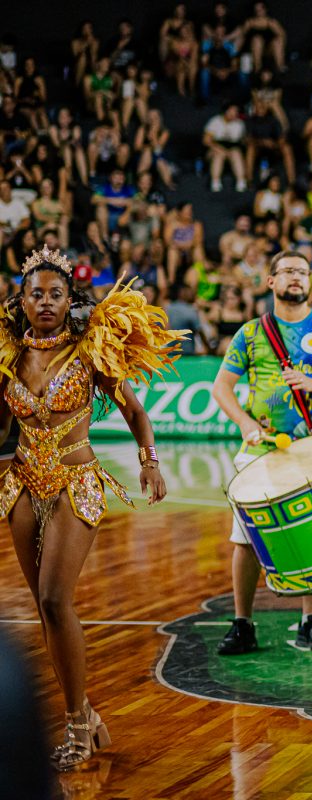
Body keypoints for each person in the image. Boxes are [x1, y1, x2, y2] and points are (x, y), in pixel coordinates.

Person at [0, 246, 182, 770]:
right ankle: (86, 715)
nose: (46, 302)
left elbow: (136, 413)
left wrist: (149, 463)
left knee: (56, 600)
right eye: (37, 294)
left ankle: (77, 723)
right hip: (21, 487)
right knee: (45, 610)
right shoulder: (8, 357)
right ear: (22, 301)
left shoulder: (90, 353)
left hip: (74, 485)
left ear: (69, 300)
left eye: (56, 294)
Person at [211, 251, 312, 656]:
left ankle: (311, 620)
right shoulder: (250, 333)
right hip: (261, 450)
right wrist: (245, 423)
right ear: (271, 281)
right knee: (245, 540)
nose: (296, 277)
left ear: (310, 282)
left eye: (303, 272)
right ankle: (242, 623)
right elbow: (221, 388)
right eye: (288, 271)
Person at [203, 102, 248, 193]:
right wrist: (218, 148)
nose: (234, 113)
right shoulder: (215, 121)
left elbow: (242, 141)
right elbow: (206, 140)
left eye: (236, 111)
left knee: (236, 153)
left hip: (232, 148)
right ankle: (215, 182)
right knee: (219, 154)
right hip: (215, 147)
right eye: (231, 110)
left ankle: (241, 182)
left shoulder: (239, 124)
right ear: (226, 111)